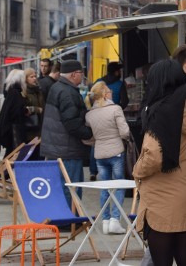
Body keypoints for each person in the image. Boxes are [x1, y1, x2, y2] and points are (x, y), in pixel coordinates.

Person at [134, 60, 186, 266]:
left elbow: (153, 156)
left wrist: (137, 171)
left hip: (161, 202)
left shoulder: (158, 111)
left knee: (162, 261)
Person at [41, 60, 93, 206]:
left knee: (59, 186)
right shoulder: (68, 92)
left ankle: (61, 219)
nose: (82, 76)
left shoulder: (57, 87)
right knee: (71, 187)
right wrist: (90, 134)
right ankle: (70, 221)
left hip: (56, 147)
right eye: (81, 73)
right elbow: (72, 124)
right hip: (67, 149)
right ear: (74, 74)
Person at [85, 81, 131, 235]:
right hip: (116, 152)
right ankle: (115, 221)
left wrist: (98, 140)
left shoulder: (89, 114)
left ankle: (105, 220)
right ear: (105, 94)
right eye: (110, 91)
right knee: (119, 186)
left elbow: (86, 138)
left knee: (105, 187)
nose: (112, 93)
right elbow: (125, 132)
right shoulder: (115, 109)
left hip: (99, 154)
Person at [90, 61, 129, 181]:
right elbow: (125, 101)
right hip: (113, 115)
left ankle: (93, 171)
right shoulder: (120, 84)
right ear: (117, 72)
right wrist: (117, 109)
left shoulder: (98, 82)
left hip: (96, 114)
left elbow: (91, 98)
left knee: (97, 142)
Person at [0, 69, 29, 155]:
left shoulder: (10, 91)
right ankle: (5, 169)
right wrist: (25, 111)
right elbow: (15, 111)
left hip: (9, 127)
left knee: (10, 152)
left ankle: (5, 168)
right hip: (14, 128)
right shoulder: (15, 93)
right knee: (13, 153)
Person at [24, 68, 45, 149]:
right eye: (31, 77)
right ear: (26, 78)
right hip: (30, 125)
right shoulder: (24, 91)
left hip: (40, 124)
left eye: (35, 76)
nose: (34, 78)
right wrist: (36, 109)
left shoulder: (38, 90)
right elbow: (24, 108)